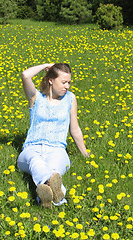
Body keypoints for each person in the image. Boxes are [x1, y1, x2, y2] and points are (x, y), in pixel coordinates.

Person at [17, 63, 89, 209]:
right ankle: (57, 193)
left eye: (69, 82)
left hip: (57, 149)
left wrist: (85, 154)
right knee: (35, 160)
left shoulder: (70, 99)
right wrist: (46, 66)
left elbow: (74, 129)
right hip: (32, 148)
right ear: (51, 80)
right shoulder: (35, 97)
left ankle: (45, 197)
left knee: (54, 168)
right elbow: (25, 75)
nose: (67, 86)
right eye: (63, 82)